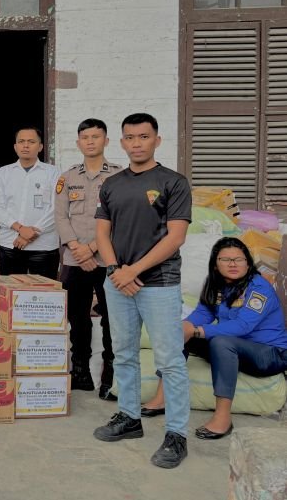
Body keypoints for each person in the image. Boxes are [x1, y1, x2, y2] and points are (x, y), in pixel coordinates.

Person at [93, 113, 192, 469]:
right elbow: (102, 233)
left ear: (157, 140)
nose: (137, 143)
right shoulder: (112, 184)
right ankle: (129, 417)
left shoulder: (173, 182)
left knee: (170, 360)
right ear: (122, 142)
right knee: (123, 353)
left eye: (144, 137)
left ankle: (176, 434)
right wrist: (115, 270)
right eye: (130, 137)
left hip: (159, 284)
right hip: (118, 282)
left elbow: (175, 237)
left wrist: (132, 270)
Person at [141, 237, 287, 440]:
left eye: (239, 259)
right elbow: (203, 314)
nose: (233, 264)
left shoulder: (258, 287)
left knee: (220, 341)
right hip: (237, 349)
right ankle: (162, 397)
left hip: (269, 354)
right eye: (225, 259)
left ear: (248, 263)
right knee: (180, 331)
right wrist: (185, 327)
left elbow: (242, 326)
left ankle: (223, 417)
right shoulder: (214, 283)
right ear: (215, 264)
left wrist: (197, 331)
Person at [54, 119, 122, 399]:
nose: (91, 141)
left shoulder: (120, 176)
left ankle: (110, 375)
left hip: (108, 259)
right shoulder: (67, 177)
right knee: (77, 316)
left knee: (111, 318)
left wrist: (93, 248)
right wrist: (76, 248)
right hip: (74, 259)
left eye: (96, 136)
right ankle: (80, 371)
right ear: (78, 142)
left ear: (106, 141)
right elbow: (60, 217)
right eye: (85, 137)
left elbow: (120, 218)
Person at [0, 126, 61, 279]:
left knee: (45, 292)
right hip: (11, 245)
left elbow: (58, 208)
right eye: (21, 141)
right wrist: (21, 228)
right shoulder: (3, 173)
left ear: (40, 146)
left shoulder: (53, 173)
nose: (26, 145)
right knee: (11, 291)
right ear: (15, 147)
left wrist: (31, 233)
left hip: (44, 247)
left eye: (31, 141)